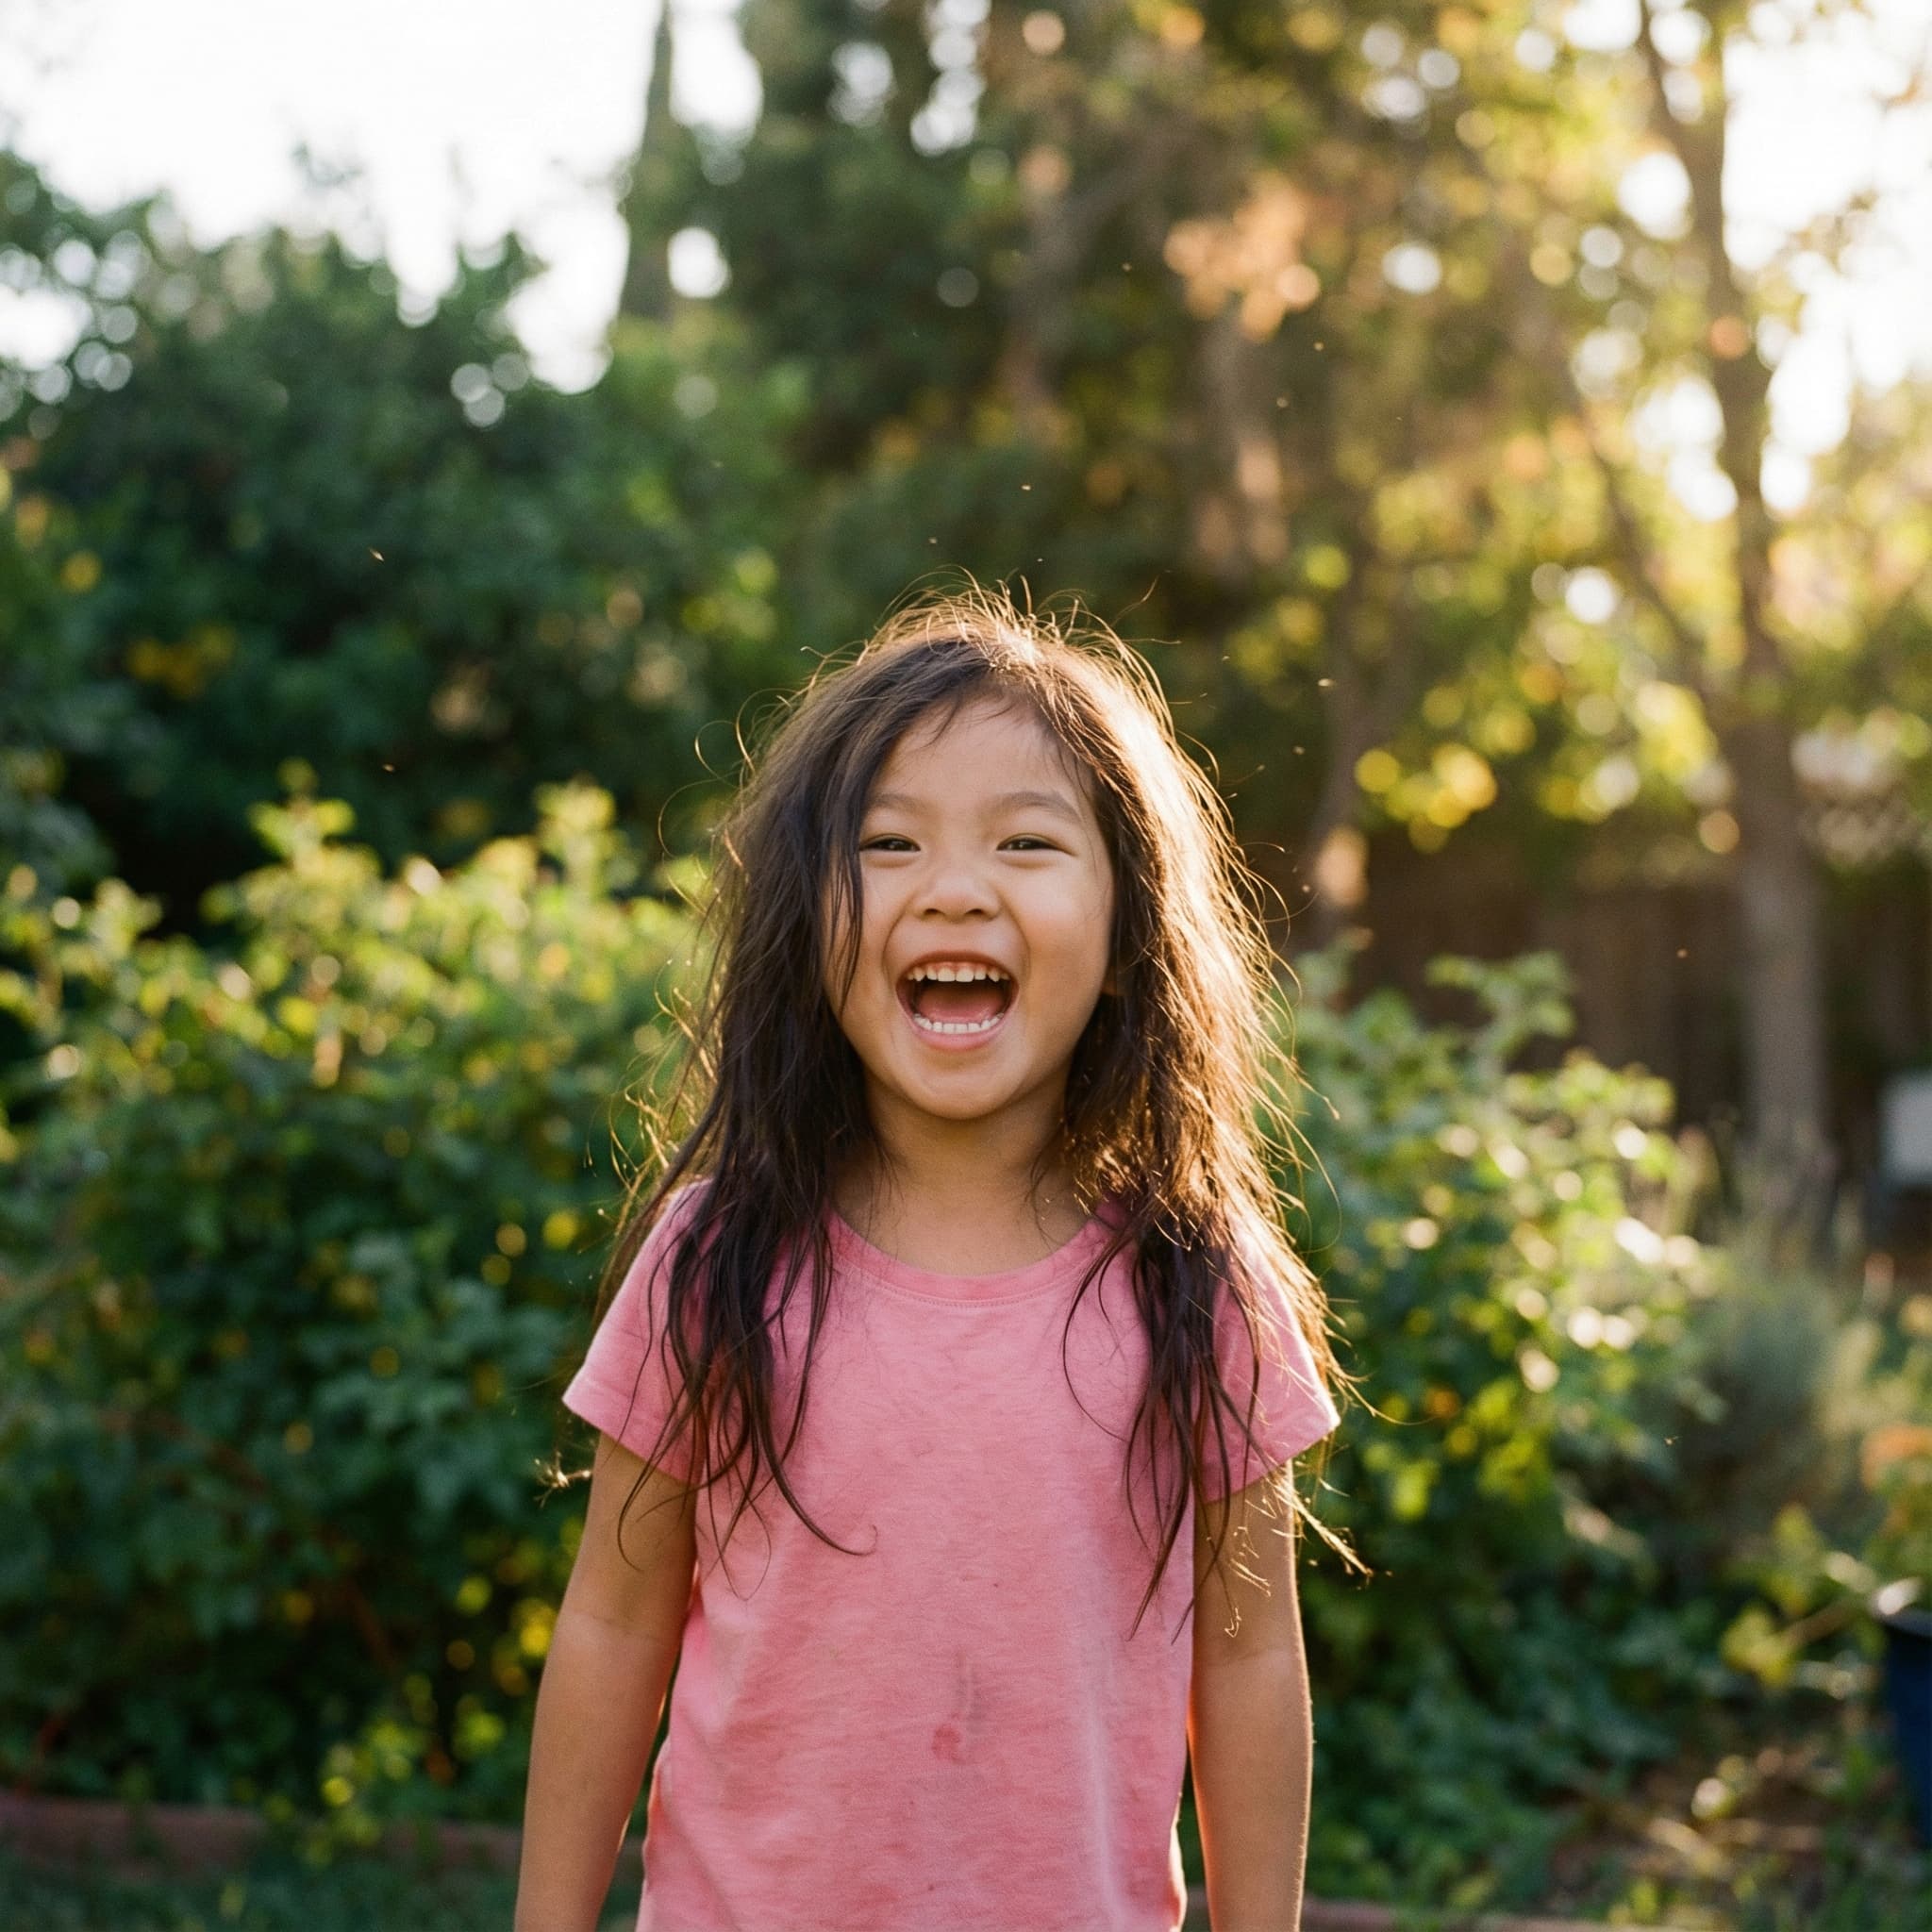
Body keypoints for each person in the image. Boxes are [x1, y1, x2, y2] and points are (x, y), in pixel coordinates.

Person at [515, 585, 1361, 1932]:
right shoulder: (718, 1259)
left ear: (1129, 923)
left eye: (1027, 842)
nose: (955, 889)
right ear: (809, 919)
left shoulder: (1195, 1281)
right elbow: (615, 1624)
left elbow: (1252, 1657)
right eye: (888, 842)